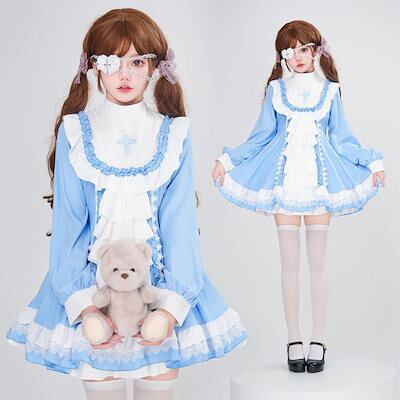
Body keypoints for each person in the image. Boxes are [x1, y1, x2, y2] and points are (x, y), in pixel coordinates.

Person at [6, 8, 247, 399]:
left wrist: (170, 308)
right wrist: (85, 308)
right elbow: (70, 225)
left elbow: (180, 224)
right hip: (91, 293)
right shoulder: (76, 132)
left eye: (137, 62)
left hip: (159, 292)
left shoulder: (172, 133)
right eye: (111, 61)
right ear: (93, 67)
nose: (124, 74)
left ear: (154, 68)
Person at [212, 20, 385, 373]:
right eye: (291, 51)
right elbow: (261, 136)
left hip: (320, 184)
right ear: (282, 56)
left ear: (316, 51)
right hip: (285, 183)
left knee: (318, 264)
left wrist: (372, 162)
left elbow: (343, 140)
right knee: (289, 265)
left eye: (305, 49)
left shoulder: (330, 91)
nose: (299, 57)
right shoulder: (276, 91)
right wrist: (227, 160)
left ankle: (318, 338)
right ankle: (293, 338)